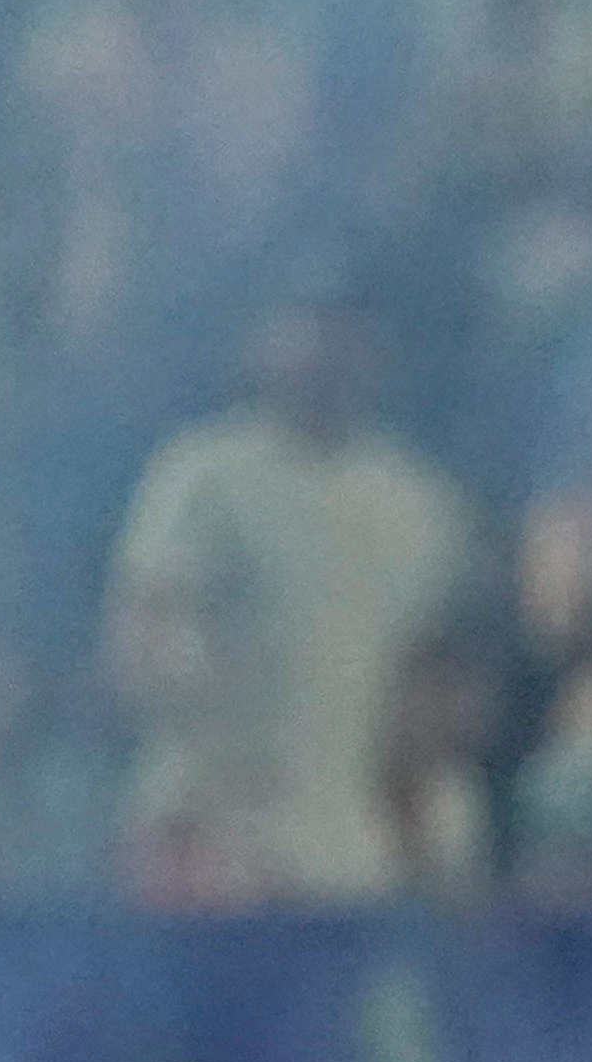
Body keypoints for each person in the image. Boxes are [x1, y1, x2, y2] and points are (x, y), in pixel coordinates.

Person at [98, 291, 485, 905]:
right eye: (304, 322)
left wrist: (425, 853)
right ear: (263, 338)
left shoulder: (417, 502)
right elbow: (143, 646)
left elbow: (427, 697)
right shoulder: (203, 475)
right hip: (216, 859)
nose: (325, 347)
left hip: (357, 869)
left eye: (347, 327)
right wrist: (192, 819)